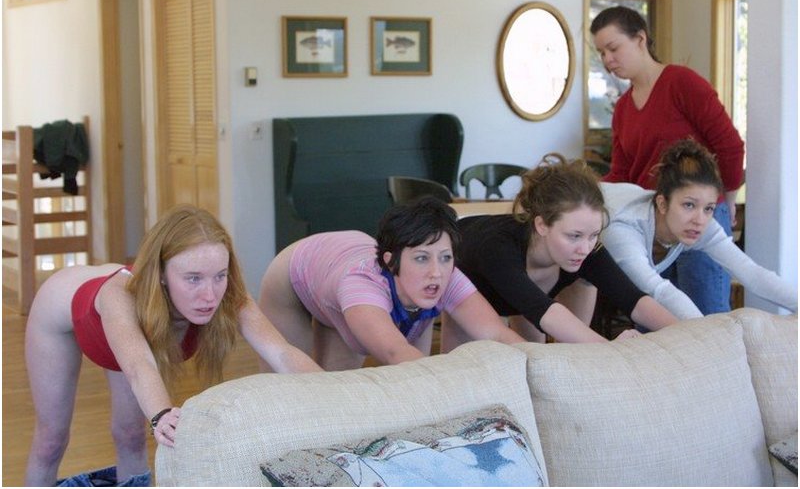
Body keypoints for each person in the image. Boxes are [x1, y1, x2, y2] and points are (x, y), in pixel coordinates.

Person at [24, 205, 322, 487]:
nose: (210, 295)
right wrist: (162, 415)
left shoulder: (227, 293)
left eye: (219, 276)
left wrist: (334, 388)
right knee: (52, 439)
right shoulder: (121, 296)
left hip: (129, 334)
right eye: (193, 279)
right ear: (162, 275)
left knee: (131, 436)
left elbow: (281, 352)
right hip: (62, 308)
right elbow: (140, 367)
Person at [590, 5, 745, 315]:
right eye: (601, 53)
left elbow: (730, 147)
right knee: (655, 323)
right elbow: (621, 173)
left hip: (698, 220)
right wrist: (589, 196)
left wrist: (723, 205)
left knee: (706, 317)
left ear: (640, 39)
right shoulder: (622, 108)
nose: (608, 60)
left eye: (613, 48)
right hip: (652, 227)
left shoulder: (681, 83)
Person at [258, 197, 525, 371]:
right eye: (421, 258)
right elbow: (395, 353)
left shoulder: (446, 274)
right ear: (391, 261)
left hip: (336, 279)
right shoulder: (361, 286)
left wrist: (538, 362)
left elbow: (497, 333)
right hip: (296, 274)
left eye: (445, 258)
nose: (436, 273)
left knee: (352, 388)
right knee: (292, 384)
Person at [444, 153, 678, 349]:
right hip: (467, 278)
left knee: (542, 351)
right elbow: (545, 312)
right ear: (542, 225)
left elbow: (633, 299)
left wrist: (688, 333)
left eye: (594, 234)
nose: (585, 248)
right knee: (462, 368)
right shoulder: (497, 248)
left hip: (529, 295)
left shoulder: (586, 247)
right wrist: (613, 351)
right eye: (574, 236)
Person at [601, 139, 797, 319]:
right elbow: (658, 289)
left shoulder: (701, 224)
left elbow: (752, 273)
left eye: (709, 208)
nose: (700, 220)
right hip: (578, 228)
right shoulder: (624, 227)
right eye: (688, 205)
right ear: (662, 203)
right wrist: (709, 335)